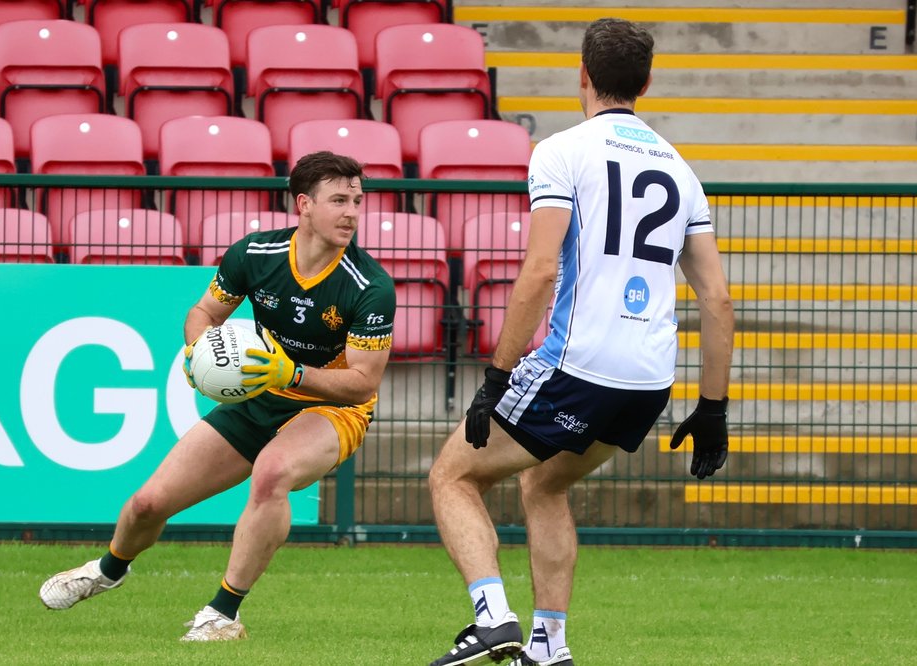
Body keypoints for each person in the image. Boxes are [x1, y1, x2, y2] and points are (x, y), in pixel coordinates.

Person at [427, 17, 734, 666]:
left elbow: (540, 271)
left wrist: (496, 377)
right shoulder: (681, 171)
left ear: (582, 75)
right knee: (545, 484)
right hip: (649, 381)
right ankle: (549, 644)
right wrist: (712, 411)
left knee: (452, 476)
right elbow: (717, 299)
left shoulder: (562, 150)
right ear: (646, 83)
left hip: (580, 363)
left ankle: (492, 619)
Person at [39, 151, 396, 642]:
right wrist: (195, 350)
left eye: (358, 200)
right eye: (338, 200)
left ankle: (223, 614)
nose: (352, 212)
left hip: (333, 408)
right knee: (148, 503)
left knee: (273, 473)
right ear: (304, 205)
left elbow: (363, 382)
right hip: (262, 393)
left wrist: (290, 372)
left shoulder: (370, 286)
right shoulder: (254, 254)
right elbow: (204, 312)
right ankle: (106, 571)